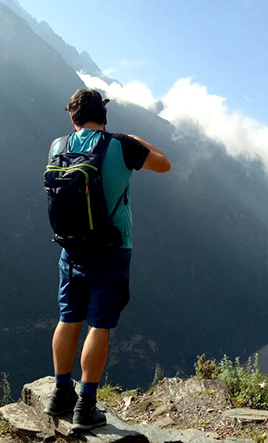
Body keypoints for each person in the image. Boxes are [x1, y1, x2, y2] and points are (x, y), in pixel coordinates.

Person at [44, 89, 171, 430]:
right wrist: (135, 139)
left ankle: (59, 394)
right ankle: (86, 405)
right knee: (99, 325)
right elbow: (164, 163)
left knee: (68, 317)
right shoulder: (122, 145)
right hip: (112, 250)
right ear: (105, 116)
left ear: (73, 118)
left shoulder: (58, 146)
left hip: (70, 250)